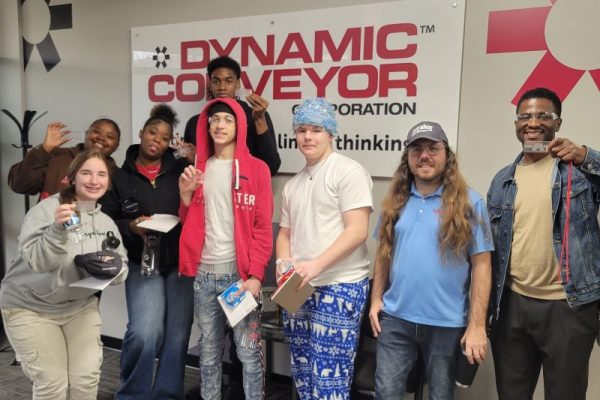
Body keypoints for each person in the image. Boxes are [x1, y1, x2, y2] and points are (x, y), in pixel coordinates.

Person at [487, 87, 600, 400]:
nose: (532, 122)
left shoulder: (579, 173)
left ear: (558, 123)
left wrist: (587, 156)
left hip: (568, 306)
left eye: (542, 115)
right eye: (525, 116)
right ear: (516, 125)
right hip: (511, 307)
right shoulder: (502, 180)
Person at [368, 121, 493, 399]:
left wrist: (476, 325)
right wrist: (376, 299)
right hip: (396, 319)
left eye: (432, 148)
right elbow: (383, 254)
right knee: (386, 392)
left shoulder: (471, 203)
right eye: (417, 149)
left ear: (446, 155)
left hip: (447, 324)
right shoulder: (395, 201)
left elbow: (483, 266)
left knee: (440, 395)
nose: (424, 155)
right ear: (408, 157)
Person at [0, 149, 128, 399]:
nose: (94, 180)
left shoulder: (104, 222)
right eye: (86, 173)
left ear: (108, 182)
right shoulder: (46, 212)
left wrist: (114, 268)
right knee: (53, 384)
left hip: (78, 307)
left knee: (85, 380)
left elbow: (121, 268)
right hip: (30, 307)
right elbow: (38, 261)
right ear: (71, 178)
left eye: (101, 174)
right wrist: (57, 231)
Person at [276, 98, 373, 400]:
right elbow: (285, 233)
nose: (308, 137)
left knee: (330, 378)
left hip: (339, 286)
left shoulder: (348, 171)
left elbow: (357, 231)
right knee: (303, 373)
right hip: (299, 286)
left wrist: (316, 265)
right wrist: (283, 262)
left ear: (331, 134)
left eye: (316, 129)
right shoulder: (293, 184)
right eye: (302, 130)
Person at [178, 97, 273, 400]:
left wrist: (256, 275)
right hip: (204, 275)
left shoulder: (257, 170)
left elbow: (261, 228)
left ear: (240, 127)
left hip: (238, 278)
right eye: (215, 119)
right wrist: (184, 196)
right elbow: (189, 223)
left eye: (228, 120)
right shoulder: (198, 169)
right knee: (208, 351)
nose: (219, 125)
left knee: (247, 351)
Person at [101, 105, 193, 400]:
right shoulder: (119, 177)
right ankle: (132, 395)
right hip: (142, 262)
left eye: (165, 137)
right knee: (145, 331)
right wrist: (131, 226)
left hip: (180, 263)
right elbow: (105, 220)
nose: (157, 140)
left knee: (177, 335)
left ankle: (167, 395)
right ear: (141, 133)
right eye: (153, 132)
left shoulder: (180, 169)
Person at [183, 55, 280, 176]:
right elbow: (189, 171)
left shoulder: (255, 115)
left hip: (245, 192)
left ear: (237, 84)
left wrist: (259, 120)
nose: (222, 87)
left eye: (228, 81)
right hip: (209, 191)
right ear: (211, 85)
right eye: (216, 81)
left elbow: (272, 167)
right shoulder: (195, 123)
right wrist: (195, 159)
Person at [8, 118, 121, 201]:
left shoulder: (118, 175)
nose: (101, 138)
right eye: (96, 131)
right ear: (86, 134)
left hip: (93, 231)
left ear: (116, 146)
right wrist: (44, 150)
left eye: (110, 137)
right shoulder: (56, 156)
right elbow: (19, 185)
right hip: (50, 229)